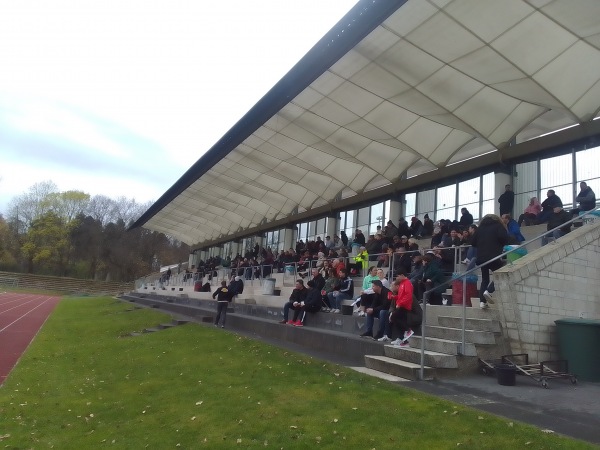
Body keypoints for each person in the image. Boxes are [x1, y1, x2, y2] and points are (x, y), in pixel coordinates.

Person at [471, 214, 509, 309]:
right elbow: (504, 238)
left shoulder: (480, 228)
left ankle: (482, 302)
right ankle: (489, 291)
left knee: (485, 279)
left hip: (481, 258)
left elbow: (473, 242)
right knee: (501, 275)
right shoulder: (498, 226)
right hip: (493, 257)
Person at [387, 269, 422, 346]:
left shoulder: (407, 283)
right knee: (395, 319)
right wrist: (394, 297)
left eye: (398, 276)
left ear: (402, 275)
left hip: (408, 309)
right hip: (403, 306)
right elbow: (401, 296)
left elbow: (408, 296)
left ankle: (408, 330)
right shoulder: (403, 284)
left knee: (394, 317)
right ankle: (401, 339)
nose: (397, 278)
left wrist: (400, 303)